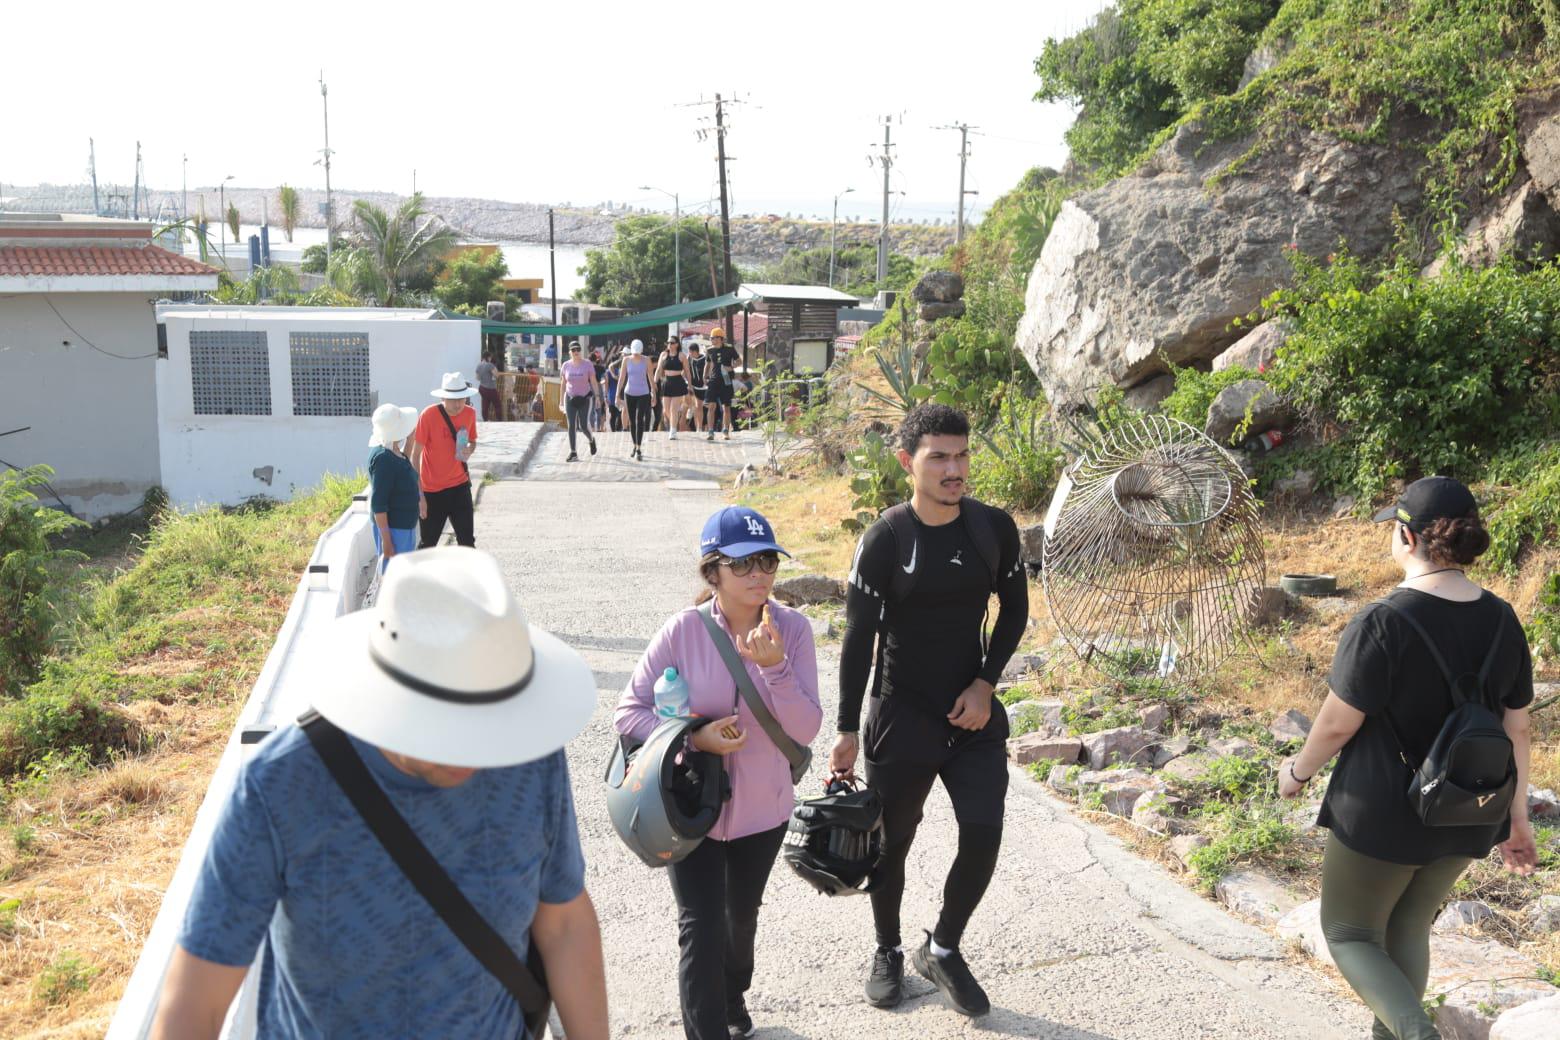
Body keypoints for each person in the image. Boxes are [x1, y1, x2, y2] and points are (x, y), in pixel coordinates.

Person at [150, 547, 608, 1040]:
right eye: (449, 729)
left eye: (488, 727)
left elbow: (563, 923)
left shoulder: (529, 754)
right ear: (390, 696)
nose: (473, 756)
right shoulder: (282, 785)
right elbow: (196, 1004)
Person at [1276, 476, 1536, 1040]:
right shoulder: (1503, 619)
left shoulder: (1384, 620)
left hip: (1383, 811)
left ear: (1407, 536)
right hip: (1471, 808)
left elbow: (1338, 723)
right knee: (1409, 927)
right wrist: (1516, 818)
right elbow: (1518, 729)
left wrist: (1296, 773)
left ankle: (1418, 1034)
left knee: (1349, 932)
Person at [832, 403, 1028, 1018]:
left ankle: (942, 948)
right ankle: (887, 949)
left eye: (962, 454)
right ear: (906, 462)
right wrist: (845, 730)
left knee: (985, 831)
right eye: (939, 456)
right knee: (893, 844)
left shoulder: (993, 529)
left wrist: (985, 684)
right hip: (903, 713)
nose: (954, 469)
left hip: (971, 714)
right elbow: (858, 640)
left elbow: (1015, 612)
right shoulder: (886, 540)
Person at [614, 506, 822, 1040]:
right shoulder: (683, 630)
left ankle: (734, 996)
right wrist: (694, 737)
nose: (759, 575)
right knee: (700, 929)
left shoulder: (793, 631)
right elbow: (629, 712)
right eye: (744, 564)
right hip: (690, 811)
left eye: (768, 562)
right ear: (713, 573)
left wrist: (774, 667)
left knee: (740, 920)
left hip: (764, 811)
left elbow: (805, 728)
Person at [411, 372, 479, 549]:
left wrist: (469, 449)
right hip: (432, 491)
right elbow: (415, 455)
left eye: (462, 399)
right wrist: (420, 496)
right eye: (453, 399)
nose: (458, 404)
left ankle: (466, 577)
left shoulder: (470, 413)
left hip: (460, 486)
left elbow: (473, 440)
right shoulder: (428, 415)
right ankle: (423, 577)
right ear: (443, 397)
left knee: (467, 542)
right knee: (428, 544)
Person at [367, 403, 422, 573]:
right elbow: (379, 504)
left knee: (404, 578)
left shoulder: (393, 450)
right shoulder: (383, 459)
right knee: (395, 579)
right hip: (394, 529)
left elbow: (403, 463)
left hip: (404, 526)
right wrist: (387, 541)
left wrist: (411, 439)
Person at [561, 342, 601, 463]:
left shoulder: (587, 364)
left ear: (581, 351)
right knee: (571, 425)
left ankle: (591, 439)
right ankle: (573, 452)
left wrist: (598, 397)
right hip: (570, 397)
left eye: (578, 349)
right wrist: (560, 402)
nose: (576, 352)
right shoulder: (566, 365)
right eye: (573, 350)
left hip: (585, 398)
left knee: (583, 426)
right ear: (570, 352)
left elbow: (593, 381)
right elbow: (563, 384)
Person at [617, 339, 656, 461]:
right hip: (629, 393)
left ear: (642, 350)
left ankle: (638, 448)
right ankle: (635, 445)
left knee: (640, 420)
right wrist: (617, 394)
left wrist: (653, 393)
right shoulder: (626, 360)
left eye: (638, 352)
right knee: (632, 421)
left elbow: (651, 377)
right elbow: (622, 378)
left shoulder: (646, 360)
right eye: (634, 352)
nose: (636, 354)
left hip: (643, 393)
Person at [704, 327, 737, 440]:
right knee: (711, 406)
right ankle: (710, 431)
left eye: (714, 338)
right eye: (711, 338)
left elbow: (739, 360)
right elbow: (707, 364)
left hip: (726, 381)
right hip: (713, 380)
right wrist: (705, 376)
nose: (712, 340)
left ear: (720, 338)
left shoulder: (730, 348)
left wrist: (731, 367)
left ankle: (725, 431)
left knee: (726, 407)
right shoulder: (709, 350)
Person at [655, 337, 691, 440]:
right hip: (666, 382)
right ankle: (674, 424)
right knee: (666, 410)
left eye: (672, 343)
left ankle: (673, 430)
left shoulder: (681, 356)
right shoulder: (663, 355)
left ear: (677, 344)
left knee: (673, 409)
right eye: (668, 343)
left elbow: (687, 371)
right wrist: (654, 383)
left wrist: (690, 384)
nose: (669, 344)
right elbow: (658, 370)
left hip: (678, 382)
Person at [686, 341, 709, 434]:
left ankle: (708, 427)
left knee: (708, 407)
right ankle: (699, 428)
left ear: (695, 351)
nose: (689, 354)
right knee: (698, 407)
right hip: (695, 387)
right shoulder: (689, 359)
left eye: (690, 352)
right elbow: (687, 372)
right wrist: (689, 384)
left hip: (705, 387)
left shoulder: (705, 358)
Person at [475, 352, 501, 422]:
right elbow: (496, 375)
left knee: (485, 405)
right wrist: (495, 369)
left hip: (482, 387)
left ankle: (485, 420)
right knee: (497, 405)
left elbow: (477, 378)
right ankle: (499, 420)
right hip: (491, 388)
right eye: (490, 357)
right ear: (487, 357)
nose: (490, 359)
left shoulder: (479, 365)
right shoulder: (489, 365)